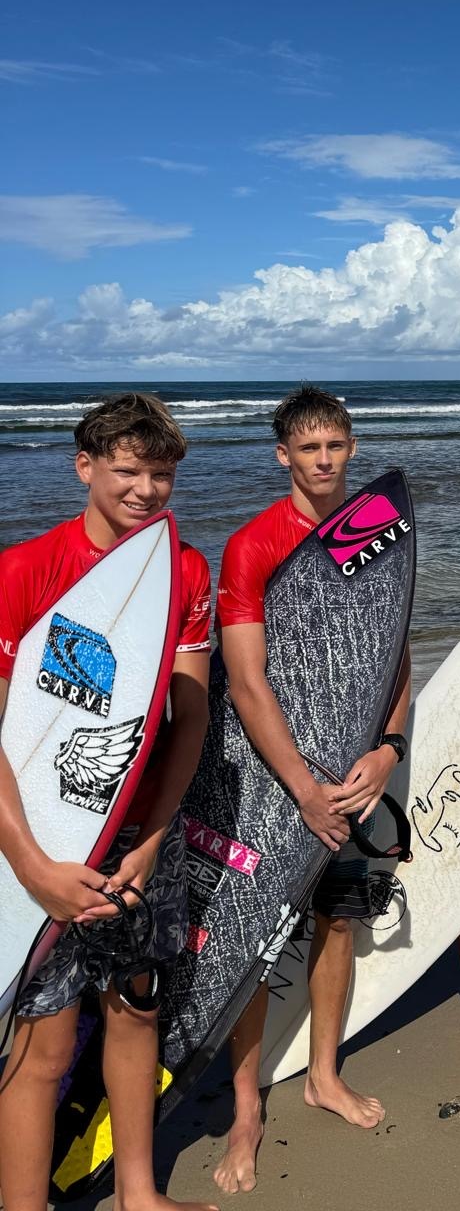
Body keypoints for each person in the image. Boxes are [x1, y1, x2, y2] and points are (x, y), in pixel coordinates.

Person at [0, 393, 215, 1211]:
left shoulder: (185, 571)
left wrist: (154, 839)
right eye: (128, 470)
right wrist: (32, 866)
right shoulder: (24, 570)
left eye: (162, 475)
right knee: (44, 1048)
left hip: (139, 836)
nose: (146, 490)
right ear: (84, 466)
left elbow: (190, 716)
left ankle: (137, 1196)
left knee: (134, 1009)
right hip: (38, 839)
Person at [210, 387, 412, 1194]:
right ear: (283, 455)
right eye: (308, 448)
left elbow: (393, 654)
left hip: (355, 770)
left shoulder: (378, 528)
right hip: (275, 778)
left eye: (335, 445)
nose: (324, 460)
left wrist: (390, 749)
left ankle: (324, 1074)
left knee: (341, 921)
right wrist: (300, 786)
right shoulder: (252, 545)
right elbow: (247, 682)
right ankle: (245, 1111)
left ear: (351, 447)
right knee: (258, 938)